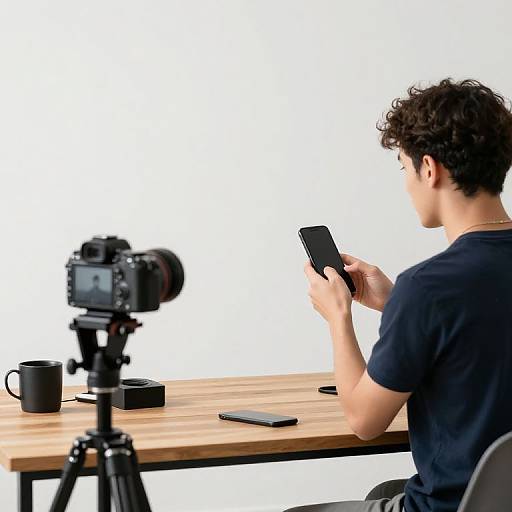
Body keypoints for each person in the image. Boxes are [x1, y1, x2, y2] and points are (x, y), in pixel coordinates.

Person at [285, 79, 512, 512]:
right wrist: (396, 306)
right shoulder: (430, 294)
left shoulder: (429, 287)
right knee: (382, 492)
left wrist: (340, 318)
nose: (407, 184)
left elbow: (363, 421)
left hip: (451, 506)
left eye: (405, 169)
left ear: (430, 168)